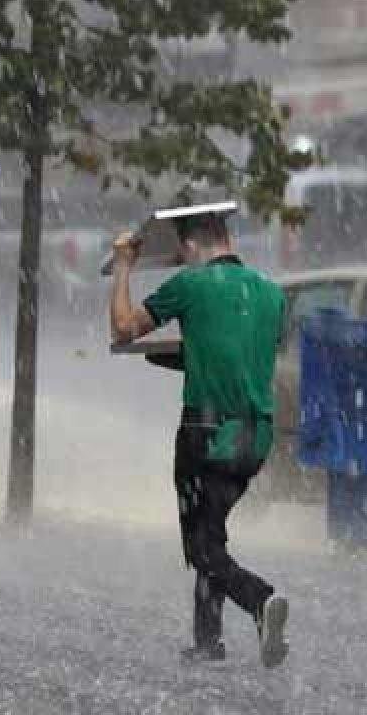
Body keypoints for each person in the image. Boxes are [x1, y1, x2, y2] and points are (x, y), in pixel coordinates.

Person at [109, 209, 290, 668]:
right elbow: (243, 355)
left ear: (191, 246)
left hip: (205, 434)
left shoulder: (190, 286)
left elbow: (124, 328)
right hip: (255, 437)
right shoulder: (271, 294)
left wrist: (125, 266)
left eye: (181, 254)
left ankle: (259, 600)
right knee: (212, 533)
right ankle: (207, 641)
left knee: (201, 548)